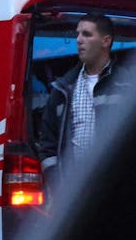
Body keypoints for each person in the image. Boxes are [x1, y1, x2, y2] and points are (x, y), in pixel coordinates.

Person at [36, 14, 125, 184]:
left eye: (86, 34)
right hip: (74, 191)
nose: (78, 40)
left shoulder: (127, 85)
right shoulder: (62, 89)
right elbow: (47, 146)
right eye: (77, 34)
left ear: (105, 41)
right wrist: (57, 183)